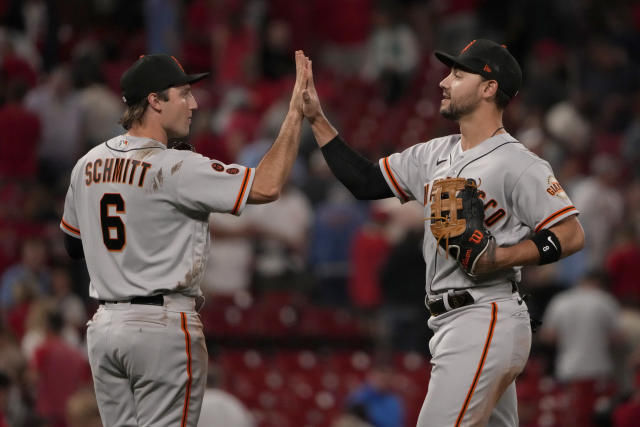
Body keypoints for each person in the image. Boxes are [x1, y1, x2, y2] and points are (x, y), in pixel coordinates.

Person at [301, 39, 585, 426]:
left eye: (457, 74)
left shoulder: (518, 163)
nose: (444, 82)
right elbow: (365, 182)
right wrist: (317, 119)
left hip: (485, 315)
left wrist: (500, 258)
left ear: (488, 88)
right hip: (453, 320)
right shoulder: (436, 153)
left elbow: (570, 234)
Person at [59, 51, 310, 426]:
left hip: (105, 329)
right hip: (161, 327)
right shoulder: (175, 166)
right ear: (154, 102)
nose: (193, 103)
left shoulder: (87, 164)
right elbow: (268, 184)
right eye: (182, 94)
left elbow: (73, 246)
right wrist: (294, 116)